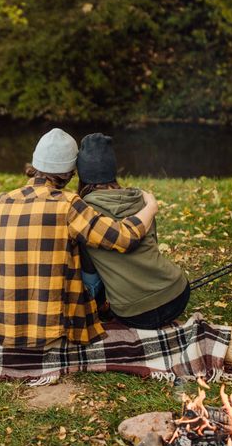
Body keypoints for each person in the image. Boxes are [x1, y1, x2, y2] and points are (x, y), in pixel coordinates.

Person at [0, 128, 159, 349]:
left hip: (4, 327)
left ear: (35, 164)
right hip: (54, 328)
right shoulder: (69, 204)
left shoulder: (1, 201)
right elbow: (123, 238)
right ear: (70, 173)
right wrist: (151, 207)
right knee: (89, 248)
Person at [75, 133, 190, 329]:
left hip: (134, 313)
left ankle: (100, 309)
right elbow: (152, 244)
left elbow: (90, 272)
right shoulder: (140, 199)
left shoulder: (84, 213)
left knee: (91, 272)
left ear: (82, 174)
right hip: (177, 294)